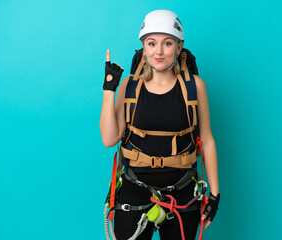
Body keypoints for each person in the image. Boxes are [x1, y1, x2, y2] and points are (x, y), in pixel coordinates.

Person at [100, 10, 220, 240]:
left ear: (179, 45)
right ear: (143, 46)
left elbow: (207, 140)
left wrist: (214, 194)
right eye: (151, 43)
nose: (159, 51)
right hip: (134, 189)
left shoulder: (195, 87)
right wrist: (109, 90)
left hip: (183, 191)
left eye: (167, 43)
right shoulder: (130, 86)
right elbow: (109, 139)